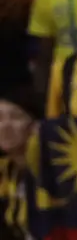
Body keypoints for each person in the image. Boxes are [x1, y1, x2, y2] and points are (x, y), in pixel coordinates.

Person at [0, 88, 39, 240]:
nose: (5, 126)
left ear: (34, 124)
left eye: (16, 117)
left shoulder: (55, 168)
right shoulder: (5, 170)